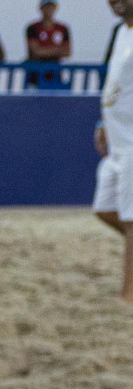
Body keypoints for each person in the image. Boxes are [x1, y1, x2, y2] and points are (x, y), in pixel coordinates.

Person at [96, 0, 133, 301]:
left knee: (132, 220)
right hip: (117, 139)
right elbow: (116, 82)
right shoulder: (120, 31)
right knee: (104, 209)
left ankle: (128, 296)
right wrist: (102, 120)